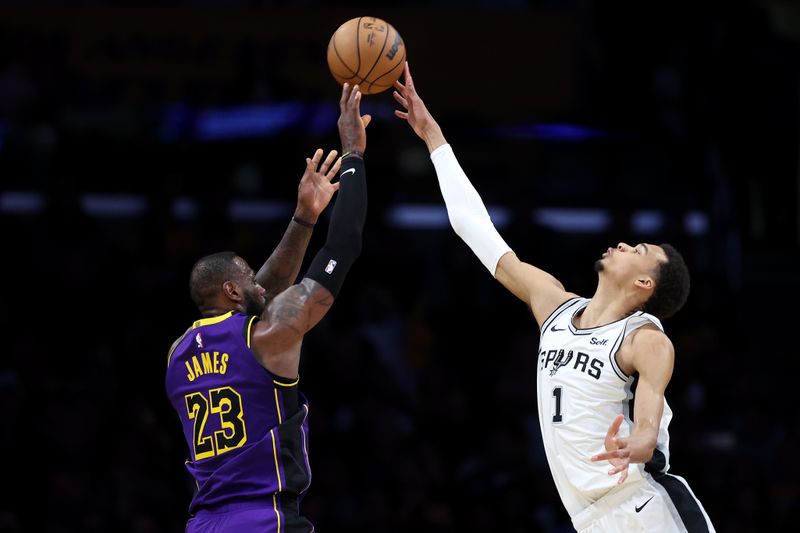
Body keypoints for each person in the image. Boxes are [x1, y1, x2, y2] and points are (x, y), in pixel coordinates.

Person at [393, 62, 715, 533]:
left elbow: (648, 414)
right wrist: (434, 139)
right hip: (589, 518)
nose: (624, 244)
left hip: (645, 508)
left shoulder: (643, 338)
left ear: (645, 285)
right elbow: (476, 232)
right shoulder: (555, 306)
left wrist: (642, 440)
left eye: (638, 250)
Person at [165, 82, 370, 532]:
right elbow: (345, 245)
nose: (258, 278)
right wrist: (353, 154)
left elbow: (265, 289)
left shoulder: (177, 353)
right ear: (232, 292)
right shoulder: (268, 336)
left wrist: (304, 218)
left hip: (203, 522)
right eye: (246, 274)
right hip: (265, 518)